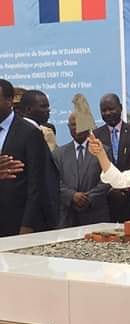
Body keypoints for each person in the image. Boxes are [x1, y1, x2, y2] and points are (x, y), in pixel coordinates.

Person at [0, 79, 48, 236]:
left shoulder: (29, 132)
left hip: (16, 220)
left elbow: (36, 182)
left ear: (9, 101)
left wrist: (28, 224)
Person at [93, 93, 130, 223]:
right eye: (104, 110)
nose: (108, 113)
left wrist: (124, 187)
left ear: (121, 108)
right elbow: (95, 166)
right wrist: (111, 188)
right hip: (105, 197)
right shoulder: (95, 135)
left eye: (111, 109)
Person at [53, 113, 111, 228]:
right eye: (73, 125)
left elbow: (107, 179)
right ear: (68, 127)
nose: (76, 128)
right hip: (68, 217)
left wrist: (89, 198)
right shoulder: (58, 154)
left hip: (96, 215)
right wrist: (72, 196)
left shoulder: (102, 150)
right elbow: (54, 181)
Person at [19, 89, 60, 231]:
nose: (48, 110)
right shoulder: (30, 133)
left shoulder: (38, 131)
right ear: (29, 109)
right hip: (33, 218)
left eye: (48, 106)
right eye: (43, 106)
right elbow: (36, 180)